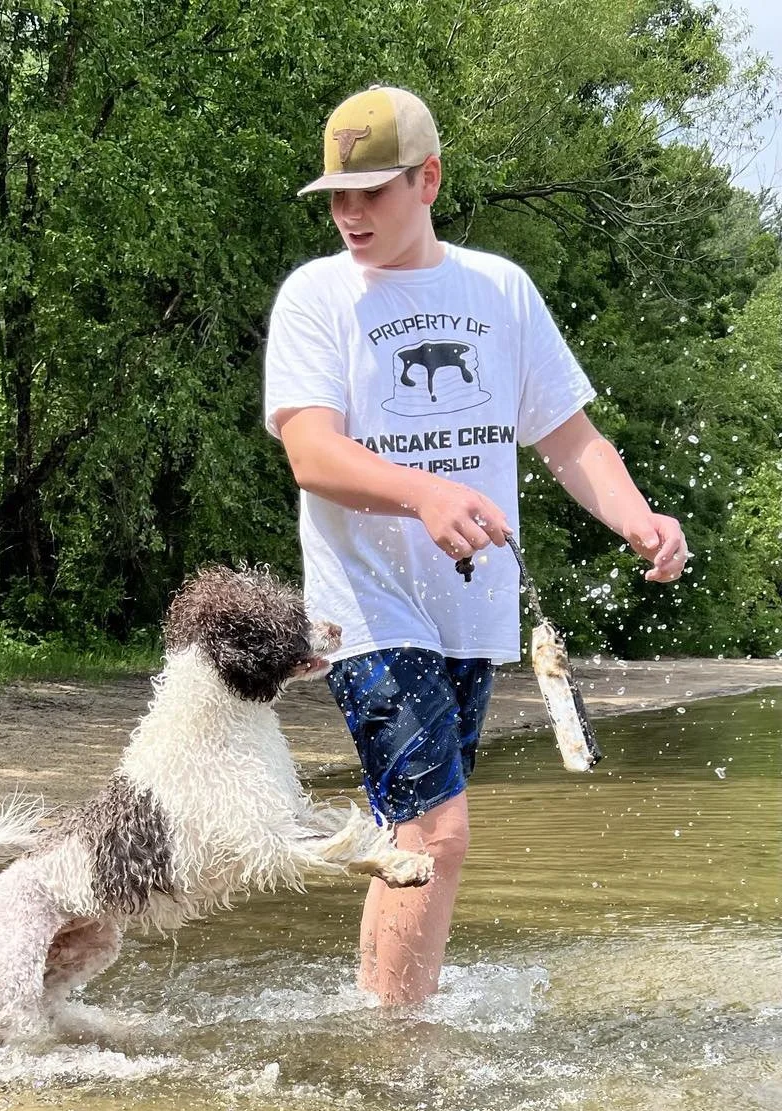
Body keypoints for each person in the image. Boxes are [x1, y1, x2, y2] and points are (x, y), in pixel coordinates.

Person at [263, 85, 687, 1006]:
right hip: (365, 607)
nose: (350, 213)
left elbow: (570, 438)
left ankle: (378, 1019)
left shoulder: (499, 289)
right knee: (438, 834)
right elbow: (310, 450)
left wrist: (636, 516)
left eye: (371, 191)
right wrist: (421, 492)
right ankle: (411, 1058)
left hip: (472, 608)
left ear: (430, 179)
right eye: (337, 195)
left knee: (409, 831)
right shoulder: (317, 296)